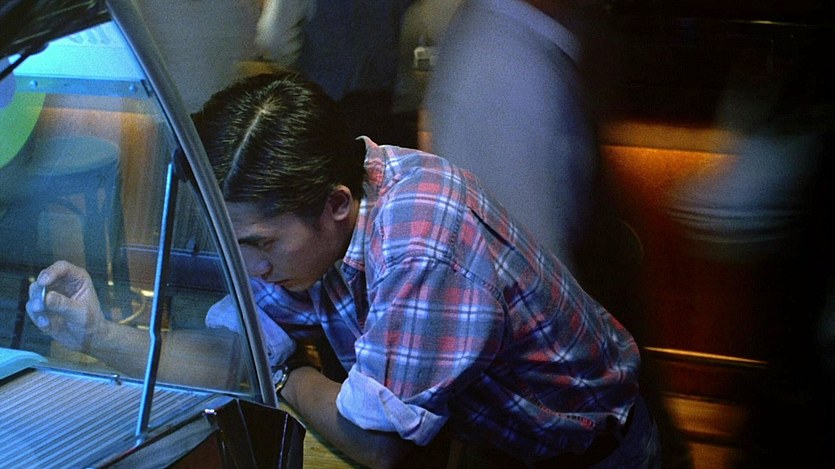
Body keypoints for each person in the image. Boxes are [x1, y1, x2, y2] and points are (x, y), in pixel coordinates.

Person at [29, 71, 660, 468]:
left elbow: (379, 446)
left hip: (591, 451)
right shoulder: (328, 212)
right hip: (489, 440)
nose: (249, 267)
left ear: (335, 204)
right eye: (232, 242)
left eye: (259, 242)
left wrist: (287, 374)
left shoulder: (419, 245)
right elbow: (235, 352)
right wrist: (97, 334)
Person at [254, 0, 418, 148]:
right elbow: (413, 27)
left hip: (321, 94)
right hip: (381, 97)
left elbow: (274, 39)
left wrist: (300, 70)